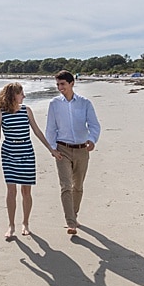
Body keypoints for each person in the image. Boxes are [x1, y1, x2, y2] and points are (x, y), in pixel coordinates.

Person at [0, 82, 53, 241]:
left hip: (26, 152)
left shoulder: (26, 111)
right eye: (21, 93)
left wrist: (50, 149)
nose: (24, 96)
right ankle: (11, 225)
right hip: (9, 153)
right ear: (13, 95)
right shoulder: (1, 113)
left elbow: (37, 131)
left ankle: (25, 223)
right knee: (11, 191)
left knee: (26, 191)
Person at [45, 70, 101, 236]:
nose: (60, 87)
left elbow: (94, 125)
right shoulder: (54, 104)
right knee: (66, 186)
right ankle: (70, 222)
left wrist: (92, 140)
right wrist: (52, 148)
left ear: (71, 83)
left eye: (62, 84)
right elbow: (50, 128)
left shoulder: (85, 103)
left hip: (82, 149)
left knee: (78, 186)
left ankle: (74, 215)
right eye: (57, 85)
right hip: (62, 149)